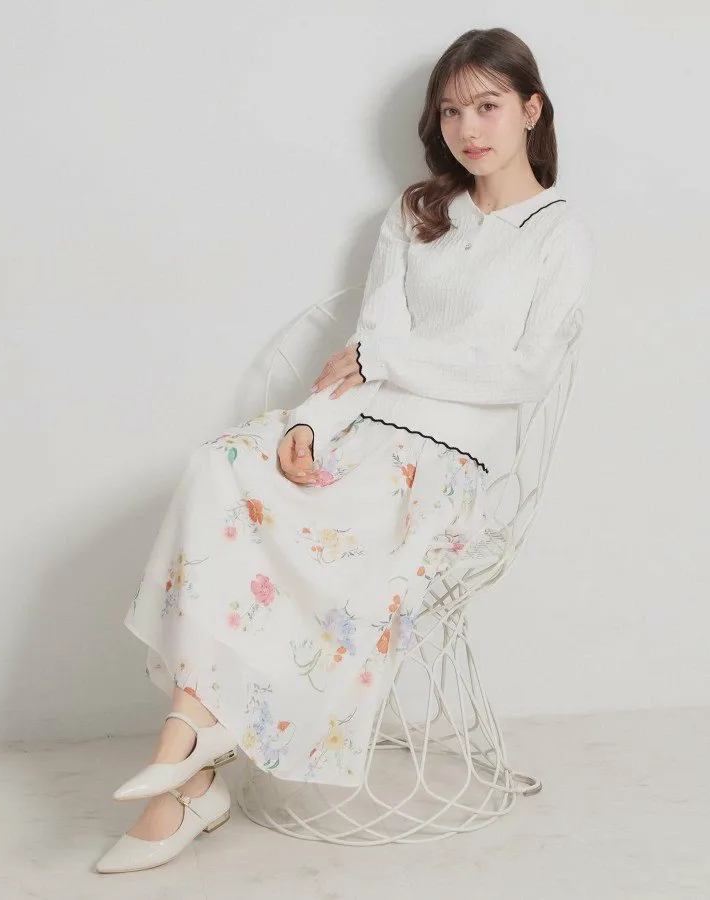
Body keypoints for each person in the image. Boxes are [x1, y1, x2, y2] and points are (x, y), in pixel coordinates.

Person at [95, 26, 596, 874]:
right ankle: (191, 741)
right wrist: (309, 424)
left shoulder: (559, 234)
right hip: (363, 434)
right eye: (450, 111)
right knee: (222, 465)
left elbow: (520, 373)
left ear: (531, 110)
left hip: (446, 460)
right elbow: (364, 346)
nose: (468, 128)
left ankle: (186, 770)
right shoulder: (417, 212)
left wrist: (386, 361)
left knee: (317, 532)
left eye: (488, 106)